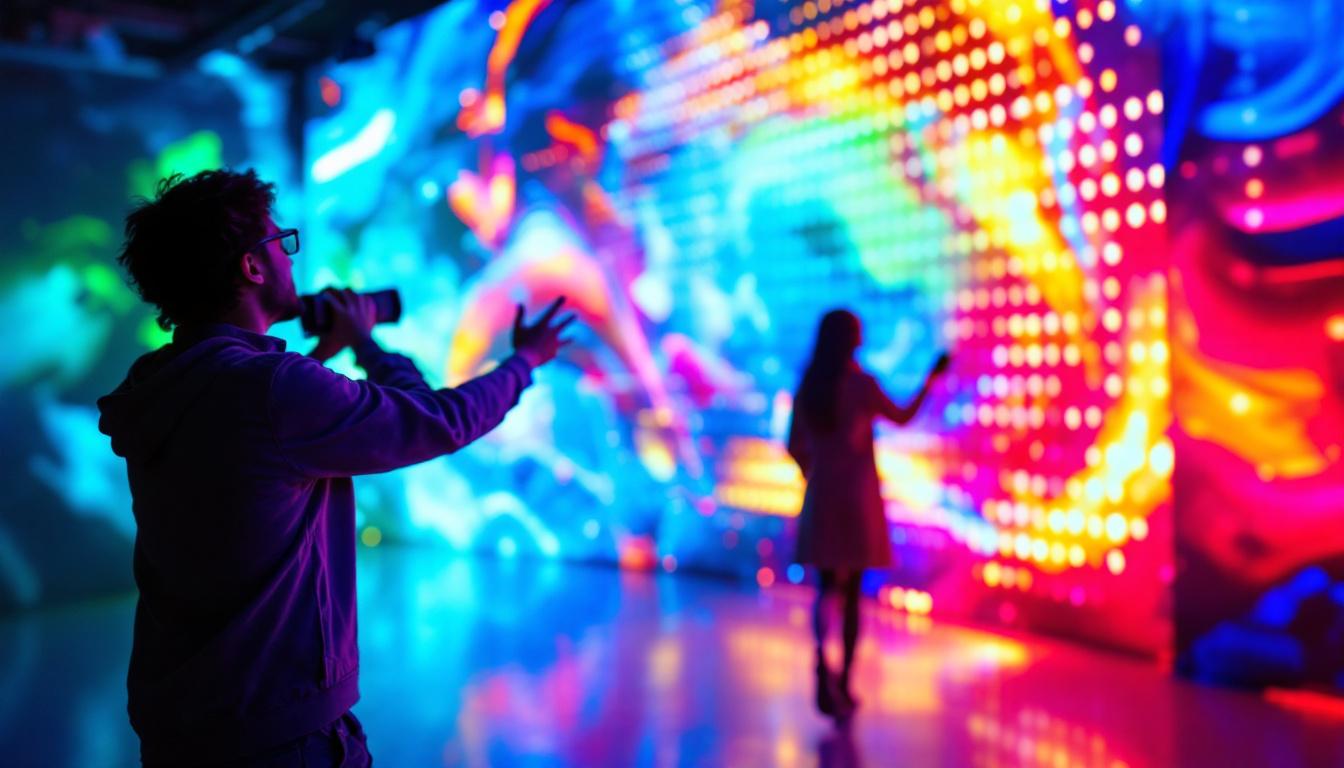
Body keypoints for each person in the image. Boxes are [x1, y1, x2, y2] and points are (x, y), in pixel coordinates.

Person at [97, 169, 573, 766]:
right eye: (280, 242)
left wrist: (327, 352)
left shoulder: (163, 387)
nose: (290, 259)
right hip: (279, 731)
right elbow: (438, 420)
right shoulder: (273, 391)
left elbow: (256, 442)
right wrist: (522, 359)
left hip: (182, 725)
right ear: (251, 266)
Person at [787, 309, 949, 720]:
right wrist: (932, 378)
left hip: (823, 495)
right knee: (853, 594)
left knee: (826, 589)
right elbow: (903, 416)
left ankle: (823, 662)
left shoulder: (809, 385)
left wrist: (815, 471)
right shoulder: (861, 385)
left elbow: (793, 444)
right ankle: (845, 682)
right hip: (857, 500)